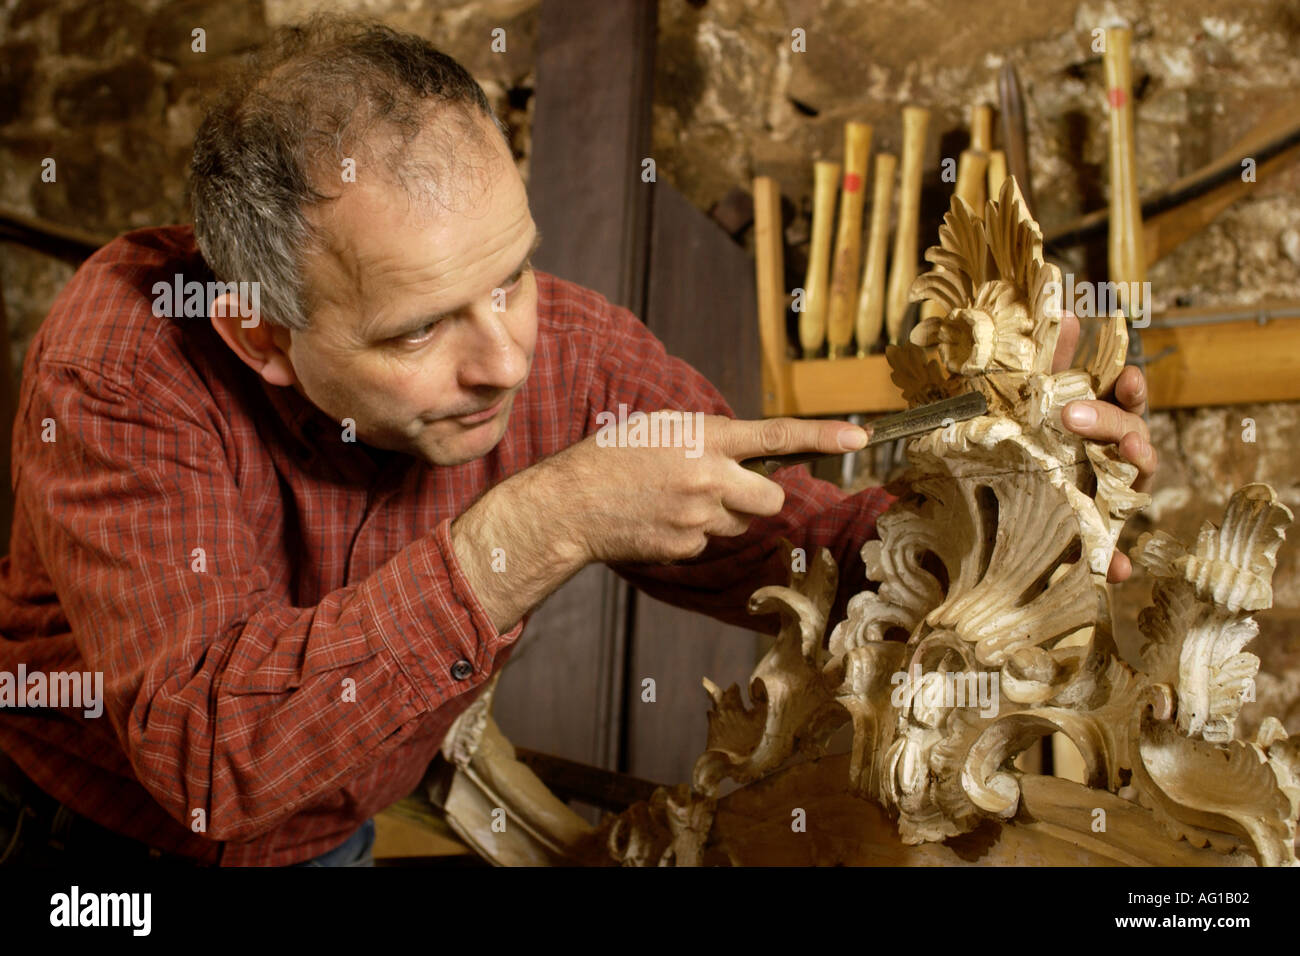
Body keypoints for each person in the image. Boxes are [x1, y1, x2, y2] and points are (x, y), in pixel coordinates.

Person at [0, 16, 1156, 867]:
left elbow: (793, 541)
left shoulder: (565, 348)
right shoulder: (124, 369)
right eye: (418, 328)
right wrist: (531, 528)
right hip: (88, 838)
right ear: (259, 330)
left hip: (337, 828)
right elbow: (215, 766)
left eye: (509, 278)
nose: (503, 357)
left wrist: (1007, 499)